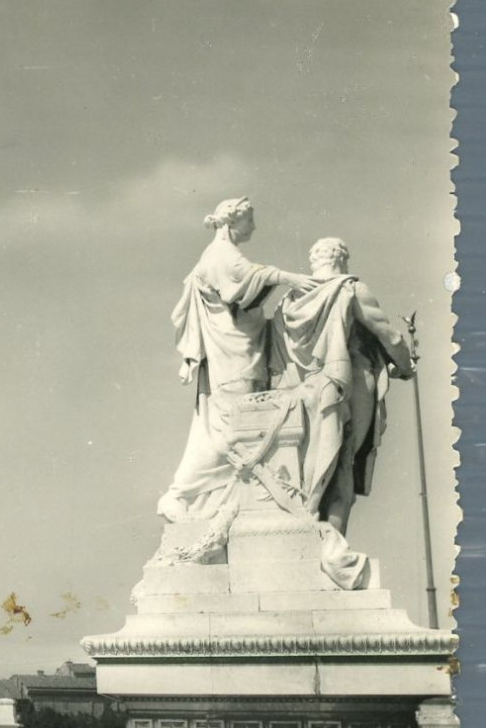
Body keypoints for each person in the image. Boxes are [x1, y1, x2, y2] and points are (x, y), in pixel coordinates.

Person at [158, 198, 317, 522]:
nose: (254, 227)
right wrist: (288, 277)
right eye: (250, 220)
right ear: (233, 222)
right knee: (227, 432)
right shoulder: (220, 255)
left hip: (243, 351)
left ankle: (224, 505)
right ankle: (179, 495)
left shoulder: (224, 254)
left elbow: (247, 289)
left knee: (240, 430)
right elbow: (242, 282)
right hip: (231, 357)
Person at [274, 237, 414, 534]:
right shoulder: (349, 289)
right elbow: (390, 338)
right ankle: (333, 548)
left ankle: (311, 539)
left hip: (302, 391)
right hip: (347, 384)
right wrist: (406, 367)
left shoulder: (290, 300)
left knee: (310, 468)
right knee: (343, 463)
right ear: (342, 259)